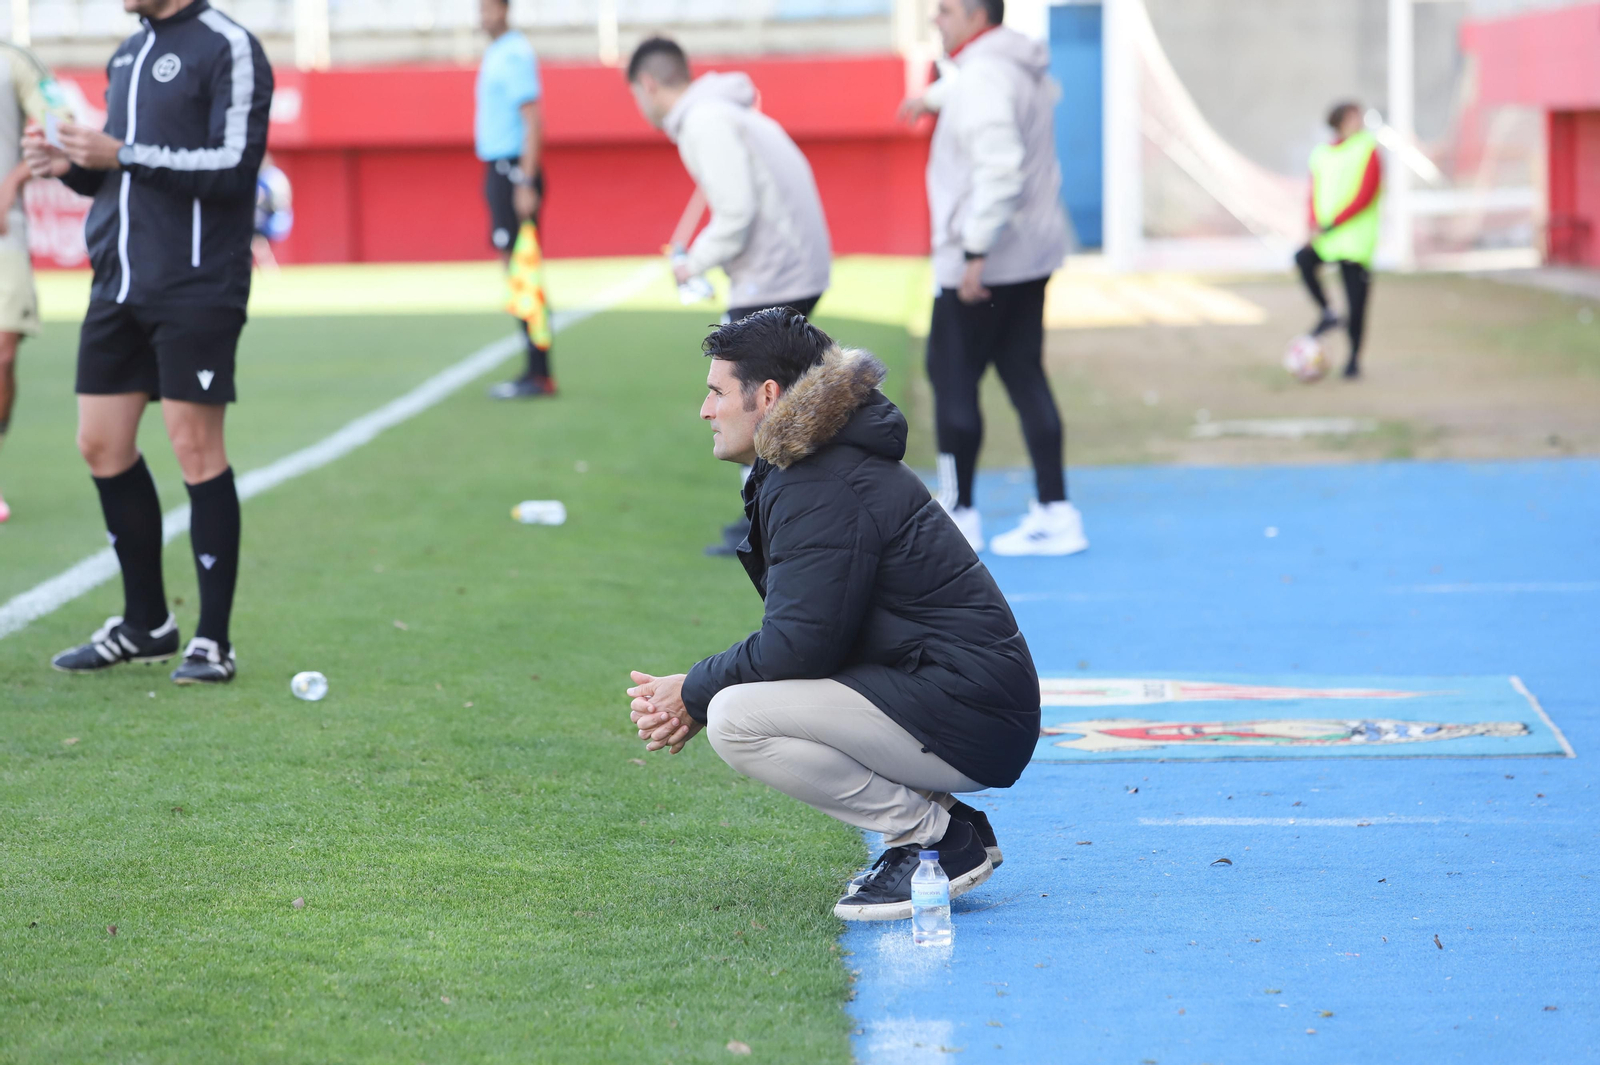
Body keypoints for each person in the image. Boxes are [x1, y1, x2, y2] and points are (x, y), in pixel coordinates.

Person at [625, 309, 1040, 921]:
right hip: (959, 697)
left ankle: (932, 839)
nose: (705, 410)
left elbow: (798, 648)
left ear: (766, 396)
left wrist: (693, 689)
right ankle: (952, 822)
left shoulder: (820, 479)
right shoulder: (815, 463)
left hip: (971, 712)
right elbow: (816, 640)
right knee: (736, 700)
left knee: (736, 717)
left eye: (716, 392)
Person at [24, 0, 272, 684]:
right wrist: (68, 165)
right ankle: (146, 624)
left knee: (195, 448)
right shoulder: (129, 51)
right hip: (118, 285)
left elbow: (233, 164)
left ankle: (212, 641)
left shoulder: (229, 45)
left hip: (195, 285)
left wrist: (123, 152)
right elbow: (120, 175)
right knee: (100, 443)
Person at [626, 36, 832, 557]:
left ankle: (772, 527)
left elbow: (736, 214)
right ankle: (766, 522)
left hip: (776, 274)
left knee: (747, 403)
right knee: (775, 404)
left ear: (648, 84)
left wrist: (692, 261)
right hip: (792, 268)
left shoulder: (705, 121)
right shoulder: (721, 113)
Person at [899, 0, 1085, 557]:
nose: (936, 18)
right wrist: (928, 98)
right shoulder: (1010, 65)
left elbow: (999, 165)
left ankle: (959, 517)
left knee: (951, 376)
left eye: (947, 9)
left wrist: (975, 249)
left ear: (979, 16)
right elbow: (971, 94)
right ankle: (1056, 511)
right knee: (1024, 375)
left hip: (989, 259)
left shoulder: (982, 75)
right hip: (1030, 254)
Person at [0, 41, 73, 524]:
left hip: (5, 236)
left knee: (2, 354)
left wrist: (11, 183)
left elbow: (61, 129)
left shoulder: (13, 60)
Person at [476, 0, 553, 400]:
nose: (484, 15)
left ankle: (539, 373)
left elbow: (532, 119)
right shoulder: (496, 52)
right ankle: (534, 368)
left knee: (524, 271)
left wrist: (524, 179)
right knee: (516, 273)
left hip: (512, 171)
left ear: (506, 9)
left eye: (490, 7)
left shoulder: (516, 53)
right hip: (499, 169)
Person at [1295, 101, 1380, 379]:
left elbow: (1366, 195)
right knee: (1302, 260)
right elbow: (1313, 190)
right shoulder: (1321, 154)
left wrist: (1333, 224)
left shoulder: (1368, 150)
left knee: (1356, 305)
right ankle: (1327, 312)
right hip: (1326, 237)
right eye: (1354, 117)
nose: (1360, 122)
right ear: (1340, 122)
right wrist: (1312, 224)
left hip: (1354, 242)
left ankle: (1353, 360)